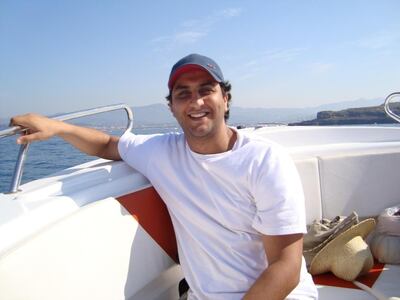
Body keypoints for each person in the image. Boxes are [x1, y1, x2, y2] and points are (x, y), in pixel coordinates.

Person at [11, 54, 318, 300]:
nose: (195, 102)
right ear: (172, 107)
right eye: (183, 94)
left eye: (206, 91)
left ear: (226, 98)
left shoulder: (264, 160)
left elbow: (286, 267)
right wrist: (56, 127)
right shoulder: (161, 152)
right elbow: (107, 144)